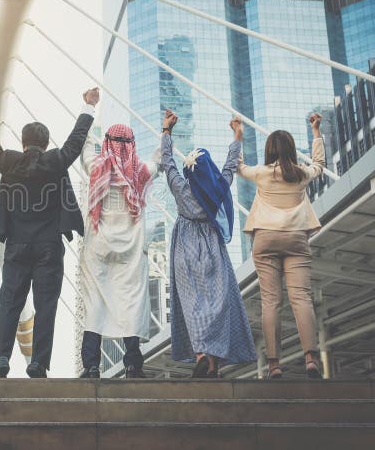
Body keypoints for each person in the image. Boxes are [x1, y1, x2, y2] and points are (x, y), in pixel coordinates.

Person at [0, 87, 100, 379]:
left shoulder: (10, 161)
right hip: (49, 246)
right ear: (47, 142)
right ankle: (38, 363)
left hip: (16, 246)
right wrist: (88, 106)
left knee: (9, 303)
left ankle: (1, 359)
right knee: (46, 305)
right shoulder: (55, 161)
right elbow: (76, 143)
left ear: (23, 143)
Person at [162, 109, 256, 378]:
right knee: (216, 305)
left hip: (185, 251)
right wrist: (237, 137)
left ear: (188, 170)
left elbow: (168, 162)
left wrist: (166, 130)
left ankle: (203, 357)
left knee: (192, 305)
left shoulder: (180, 188)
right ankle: (211, 364)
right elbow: (228, 167)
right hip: (213, 249)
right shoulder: (217, 190)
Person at [238, 114, 325, 379]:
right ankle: (310, 357)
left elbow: (238, 166)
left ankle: (274, 364)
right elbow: (320, 165)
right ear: (290, 149)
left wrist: (238, 136)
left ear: (269, 151)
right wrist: (316, 131)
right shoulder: (300, 174)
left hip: (265, 239)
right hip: (296, 238)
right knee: (301, 298)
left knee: (270, 301)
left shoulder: (262, 174)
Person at [78, 124, 161, 379]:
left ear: (106, 143)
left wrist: (88, 111)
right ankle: (134, 365)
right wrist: (166, 132)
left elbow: (85, 150)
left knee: (94, 304)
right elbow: (160, 159)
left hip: (98, 248)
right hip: (130, 253)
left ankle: (91, 366)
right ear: (132, 144)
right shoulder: (141, 171)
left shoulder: (96, 167)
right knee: (131, 303)